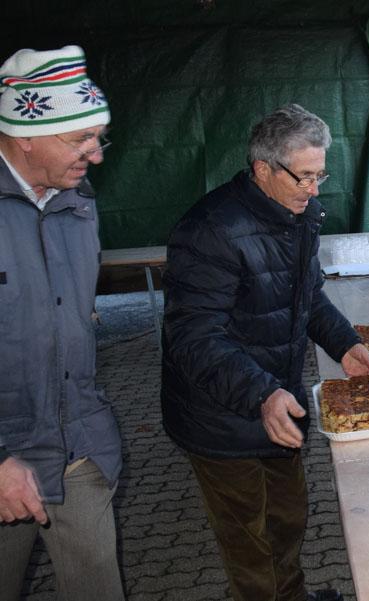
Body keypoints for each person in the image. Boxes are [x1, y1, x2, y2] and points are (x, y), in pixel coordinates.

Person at [161, 104, 369, 601]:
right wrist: (262, 393)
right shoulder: (210, 229)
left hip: (279, 402)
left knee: (288, 520)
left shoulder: (297, 215)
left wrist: (344, 343)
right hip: (221, 414)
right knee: (249, 545)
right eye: (304, 177)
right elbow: (194, 337)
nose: (315, 190)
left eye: (321, 176)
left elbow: (307, 296)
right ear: (263, 169)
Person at [0, 45, 125, 600]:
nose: (95, 155)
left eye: (98, 137)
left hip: (79, 450)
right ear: (24, 134)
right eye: (79, 139)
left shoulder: (78, 203)